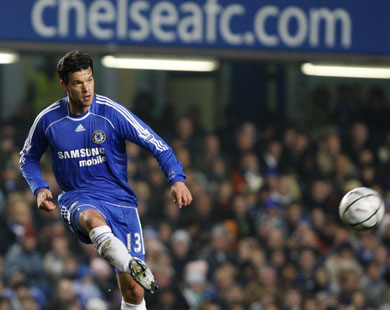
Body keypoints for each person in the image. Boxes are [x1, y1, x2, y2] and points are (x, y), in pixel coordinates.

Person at [19, 50, 193, 310]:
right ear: (64, 85)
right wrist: (40, 188)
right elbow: (27, 158)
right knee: (92, 219)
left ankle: (130, 268)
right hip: (78, 197)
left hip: (121, 203)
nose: (86, 88)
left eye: (89, 80)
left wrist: (177, 179)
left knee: (134, 292)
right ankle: (129, 264)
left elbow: (158, 145)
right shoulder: (48, 120)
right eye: (78, 83)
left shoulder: (111, 113)